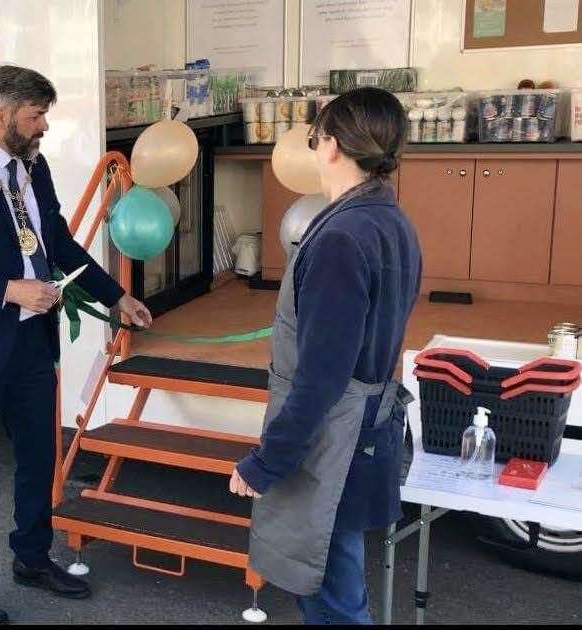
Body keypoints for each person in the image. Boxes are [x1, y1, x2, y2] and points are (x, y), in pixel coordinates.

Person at [0, 65, 153, 625]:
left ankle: (30, 556)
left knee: (38, 458)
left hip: (29, 342)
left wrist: (116, 296)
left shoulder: (34, 166)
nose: (44, 125)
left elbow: (59, 242)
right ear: (0, 114)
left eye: (43, 114)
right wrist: (6, 289)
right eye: (35, 114)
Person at [228, 87, 422, 624]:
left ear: (331, 145)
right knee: (339, 583)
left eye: (314, 140)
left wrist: (269, 459)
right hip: (366, 431)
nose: (314, 151)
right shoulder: (389, 220)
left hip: (334, 444)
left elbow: (321, 376)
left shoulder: (343, 235)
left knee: (330, 596)